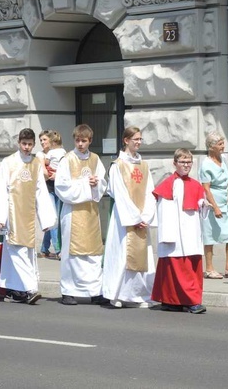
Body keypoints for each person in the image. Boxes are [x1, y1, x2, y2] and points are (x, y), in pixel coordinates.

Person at [0, 128, 57, 304]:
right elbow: (1, 190)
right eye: (24, 144)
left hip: (28, 214)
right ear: (19, 143)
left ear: (34, 145)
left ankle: (14, 290)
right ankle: (30, 288)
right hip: (11, 214)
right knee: (16, 249)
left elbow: (40, 191)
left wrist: (46, 219)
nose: (27, 147)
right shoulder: (8, 162)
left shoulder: (35, 164)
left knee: (25, 251)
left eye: (30, 144)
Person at [102, 126, 157, 308]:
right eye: (136, 139)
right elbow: (119, 193)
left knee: (143, 256)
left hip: (141, 218)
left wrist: (146, 216)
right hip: (124, 219)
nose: (139, 142)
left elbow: (150, 192)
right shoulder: (117, 165)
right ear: (126, 140)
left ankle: (138, 295)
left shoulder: (144, 165)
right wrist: (134, 217)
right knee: (122, 254)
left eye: (140, 139)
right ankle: (117, 294)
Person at [54, 124, 108, 306]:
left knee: (93, 253)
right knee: (72, 253)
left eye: (84, 141)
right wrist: (86, 183)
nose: (80, 144)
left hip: (91, 212)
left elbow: (103, 182)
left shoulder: (95, 159)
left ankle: (94, 290)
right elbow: (61, 187)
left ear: (90, 141)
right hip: (72, 213)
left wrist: (97, 183)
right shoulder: (67, 160)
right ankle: (69, 291)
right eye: (77, 140)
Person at [150, 149, 207, 314]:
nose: (186, 165)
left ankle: (182, 300)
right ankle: (181, 301)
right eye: (183, 162)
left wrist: (204, 205)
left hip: (191, 231)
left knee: (190, 268)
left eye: (189, 162)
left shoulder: (196, 184)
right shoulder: (168, 184)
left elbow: (199, 206)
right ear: (174, 163)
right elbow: (163, 211)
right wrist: (168, 234)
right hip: (175, 233)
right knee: (175, 269)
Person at [199, 132, 228, 279]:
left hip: (225, 202)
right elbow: (206, 188)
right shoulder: (206, 164)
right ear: (211, 147)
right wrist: (215, 207)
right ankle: (209, 268)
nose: (223, 146)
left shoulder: (224, 159)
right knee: (210, 236)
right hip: (212, 202)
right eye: (219, 144)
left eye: (222, 142)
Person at [39, 129, 65, 259]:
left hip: (59, 188)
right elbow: (43, 173)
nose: (42, 142)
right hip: (47, 189)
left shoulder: (53, 153)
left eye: (45, 140)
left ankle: (44, 248)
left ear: (51, 142)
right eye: (41, 140)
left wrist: (58, 175)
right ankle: (59, 249)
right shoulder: (40, 155)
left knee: (54, 220)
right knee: (53, 219)